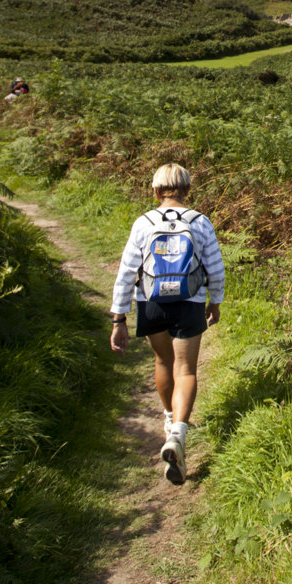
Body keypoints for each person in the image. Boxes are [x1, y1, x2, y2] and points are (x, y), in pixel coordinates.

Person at [109, 164, 225, 485]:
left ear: (156, 191)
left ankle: (169, 420)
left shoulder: (143, 223)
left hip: (152, 303)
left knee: (163, 361)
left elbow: (125, 275)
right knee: (186, 370)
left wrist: (119, 319)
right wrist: (214, 302)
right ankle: (178, 435)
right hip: (189, 303)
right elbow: (215, 268)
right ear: (187, 190)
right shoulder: (200, 222)